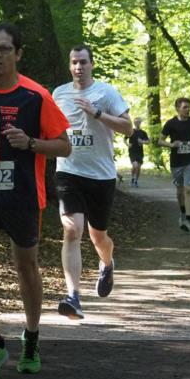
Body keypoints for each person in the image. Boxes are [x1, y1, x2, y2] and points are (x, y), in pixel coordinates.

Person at [0, 23, 70, 379]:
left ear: (18, 54)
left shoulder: (36, 96)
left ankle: (32, 336)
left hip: (22, 192)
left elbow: (65, 145)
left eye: (5, 49)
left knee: (27, 268)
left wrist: (32, 143)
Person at [51, 45, 133, 320]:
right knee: (72, 230)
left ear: (92, 64)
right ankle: (73, 296)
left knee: (99, 237)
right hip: (68, 172)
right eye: (74, 62)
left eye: (83, 62)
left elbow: (128, 128)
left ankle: (107, 263)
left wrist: (97, 114)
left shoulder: (107, 93)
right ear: (69, 65)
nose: (78, 67)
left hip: (100, 176)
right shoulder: (59, 94)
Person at [157, 97, 190, 232]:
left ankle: (188, 221)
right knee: (180, 192)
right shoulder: (171, 124)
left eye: (189, 107)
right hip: (176, 162)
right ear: (178, 108)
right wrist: (172, 144)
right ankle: (183, 212)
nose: (188, 109)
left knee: (188, 189)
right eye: (185, 107)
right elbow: (160, 141)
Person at [128, 118, 150, 187]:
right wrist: (128, 144)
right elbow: (124, 139)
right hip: (132, 151)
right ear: (134, 123)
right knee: (135, 166)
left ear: (140, 123)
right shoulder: (131, 131)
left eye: (139, 122)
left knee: (138, 167)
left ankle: (136, 181)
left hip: (140, 152)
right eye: (136, 122)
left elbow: (148, 141)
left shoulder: (143, 132)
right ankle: (132, 178)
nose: (137, 123)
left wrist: (142, 142)